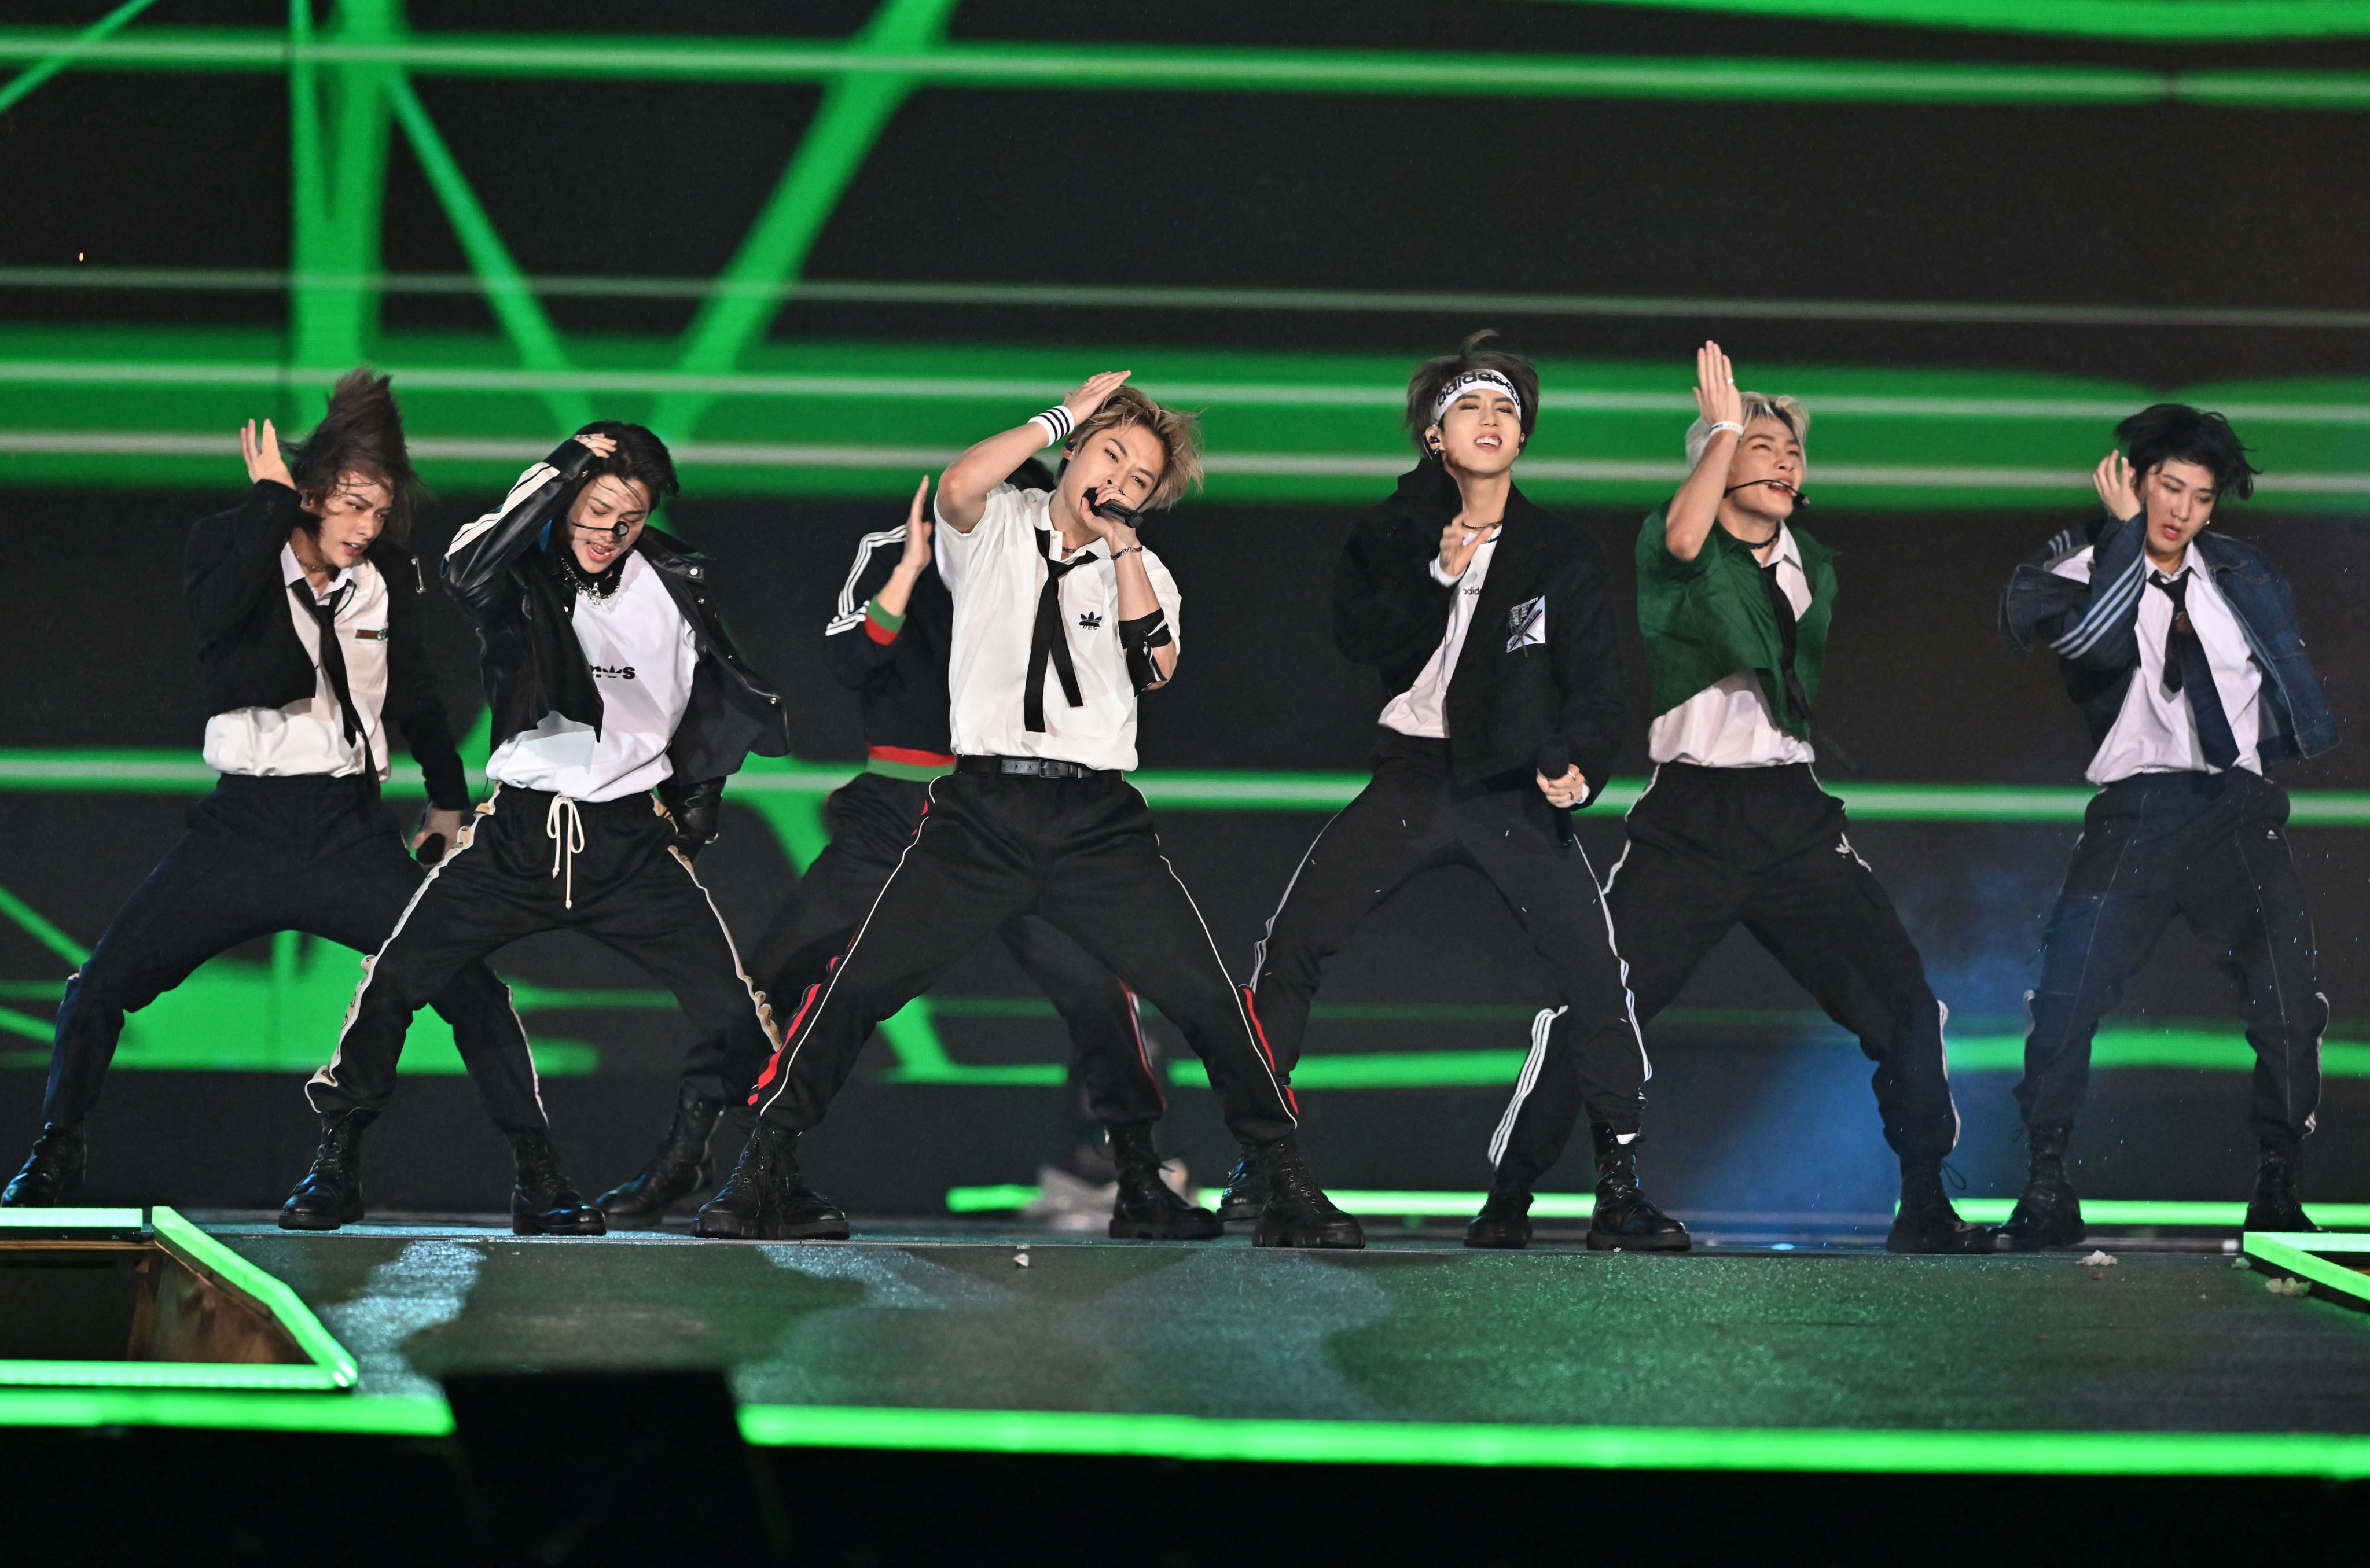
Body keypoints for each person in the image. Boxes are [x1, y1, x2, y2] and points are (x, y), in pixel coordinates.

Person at [698, 375, 1359, 1247]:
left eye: (1140, 479)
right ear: (1074, 450)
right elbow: (961, 483)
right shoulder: (1000, 522)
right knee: (859, 981)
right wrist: (1066, 413)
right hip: (982, 810)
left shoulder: (1145, 568)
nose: (1117, 481)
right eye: (1108, 456)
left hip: (1096, 821)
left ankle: (1274, 1175)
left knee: (1201, 996)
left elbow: (1156, 665)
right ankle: (766, 1166)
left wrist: (1120, 547)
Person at [2, 370, 565, 1216]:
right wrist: (268, 505)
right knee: (101, 983)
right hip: (242, 830)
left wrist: (448, 800)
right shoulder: (231, 547)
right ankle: (57, 1148)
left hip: (347, 831)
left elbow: (415, 694)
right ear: (307, 494)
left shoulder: (387, 578)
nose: (367, 526)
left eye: (380, 510)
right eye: (352, 505)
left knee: (471, 986)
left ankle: (538, 1172)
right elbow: (218, 620)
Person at [596, 466, 1203, 1240]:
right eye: (980, 501)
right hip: (900, 811)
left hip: (1020, 813)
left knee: (1102, 989)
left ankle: (1138, 1172)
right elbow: (849, 662)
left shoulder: (1069, 563)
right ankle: (693, 1157)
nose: (995, 515)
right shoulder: (897, 548)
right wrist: (913, 570)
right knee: (775, 975)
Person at [1486, 343, 1985, 1254]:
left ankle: (1926, 1196)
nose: (1785, 459)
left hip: (1792, 819)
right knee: (1603, 1002)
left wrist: (1748, 445)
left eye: (1793, 450)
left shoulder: (1811, 564)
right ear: (1713, 460)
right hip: (1689, 826)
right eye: (1763, 447)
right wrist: (1721, 432)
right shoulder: (1672, 545)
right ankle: (1513, 1191)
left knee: (1906, 998)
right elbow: (1688, 538)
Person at [1230, 332, 1681, 1253]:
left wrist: (1578, 764)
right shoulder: (1392, 533)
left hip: (1511, 793)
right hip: (1408, 780)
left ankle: (1620, 1185)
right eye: (1471, 406)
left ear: (1524, 439)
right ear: (1435, 435)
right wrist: (1438, 573)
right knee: (1293, 948)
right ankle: (1268, 1166)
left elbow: (1600, 688)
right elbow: (1361, 637)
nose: (1491, 420)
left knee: (1596, 973)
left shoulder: (1560, 553)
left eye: (1508, 409)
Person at [285, 422, 790, 1234]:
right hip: (518, 837)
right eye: (594, 510)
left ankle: (754, 1168)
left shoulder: (672, 585)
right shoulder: (518, 571)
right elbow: (467, 567)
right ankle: (335, 1164)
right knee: (392, 983)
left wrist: (697, 806)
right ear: (565, 500)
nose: (608, 532)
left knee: (734, 1013)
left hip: (629, 846)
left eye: (627, 516)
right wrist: (563, 468)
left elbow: (709, 701)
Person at [1997, 405, 2335, 1246]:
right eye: (2168, 487)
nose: (2181, 510)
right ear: (2134, 479)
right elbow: (2093, 648)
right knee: (2070, 992)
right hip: (2138, 809)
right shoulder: (2075, 565)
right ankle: (2045, 1182)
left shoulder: (2243, 574)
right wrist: (2119, 540)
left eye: (2201, 496)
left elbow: (2285, 682)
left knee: (2289, 995)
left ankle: (2279, 1183)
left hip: (2235, 808)